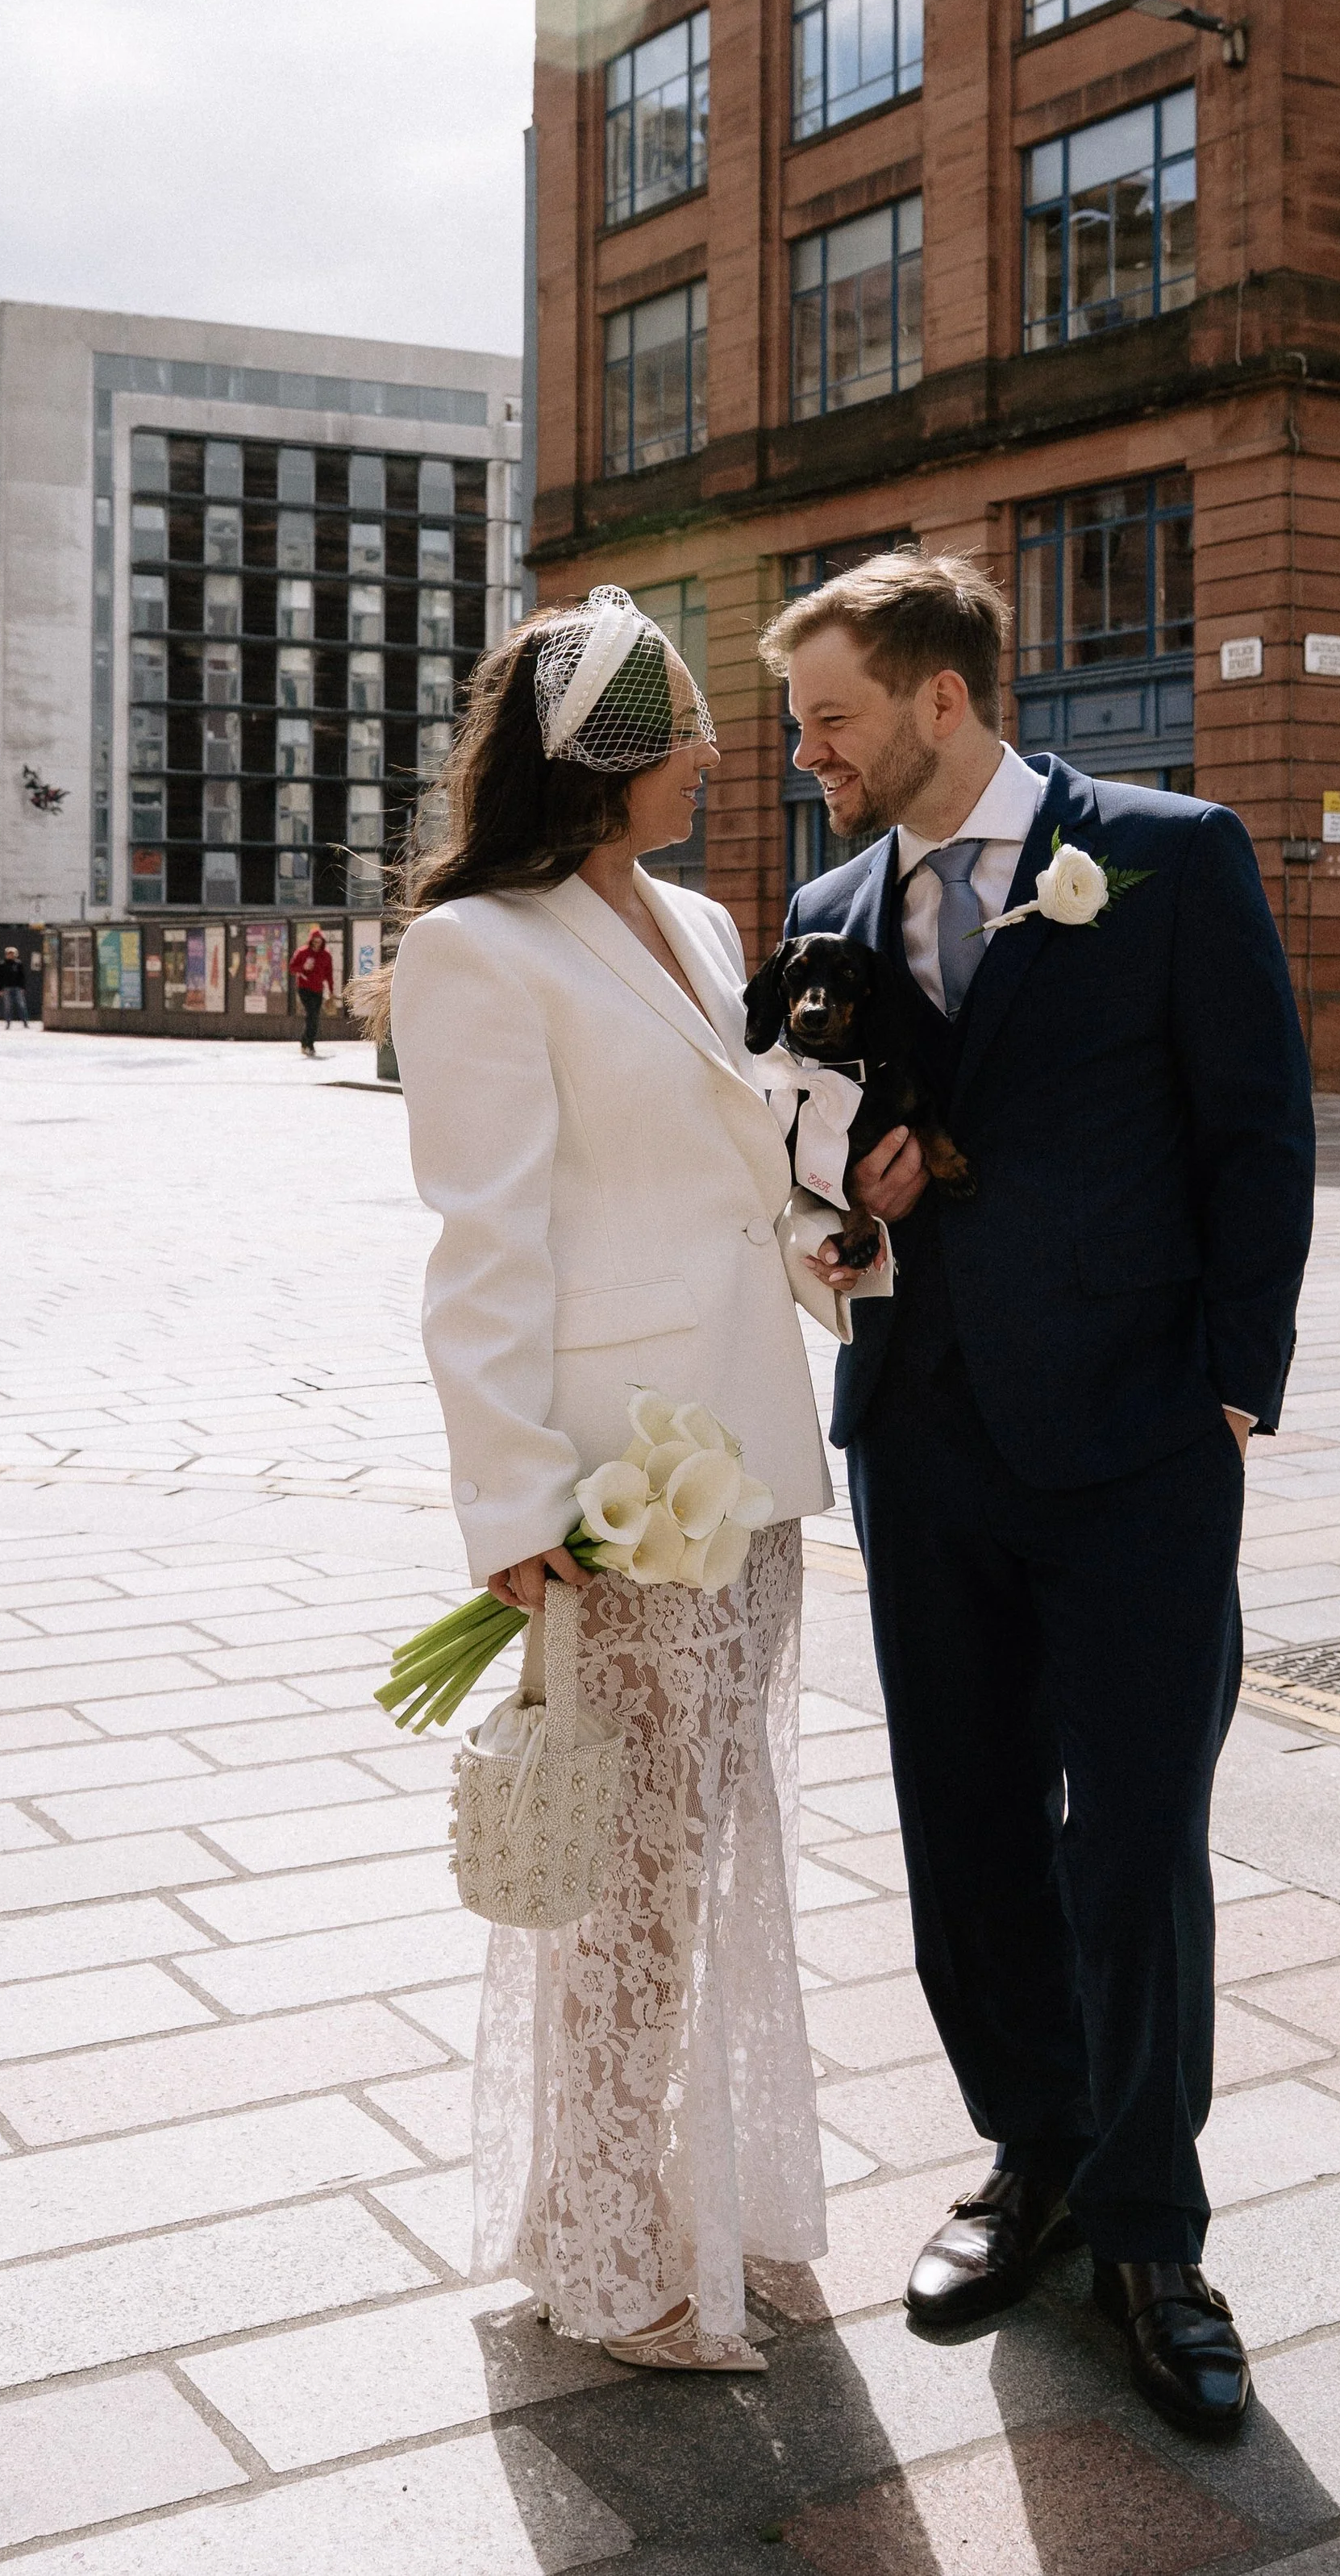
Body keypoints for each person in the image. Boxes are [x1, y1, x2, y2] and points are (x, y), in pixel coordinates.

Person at [762, 551, 1314, 2439]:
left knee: (1136, 1833)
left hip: (1140, 1444)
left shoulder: (1170, 849)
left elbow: (1257, 1121)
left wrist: (1238, 1375)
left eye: (829, 718)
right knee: (967, 1826)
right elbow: (806, 1146)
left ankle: (1155, 2230)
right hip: (920, 1434)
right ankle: (1034, 2157)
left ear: (937, 697)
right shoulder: (828, 899)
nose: (808, 753)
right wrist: (834, 1222)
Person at [385, 586, 868, 2374]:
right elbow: (483, 1245)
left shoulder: (699, 916)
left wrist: (840, 1244)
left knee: (705, 1839)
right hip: (619, 1486)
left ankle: (674, 2187)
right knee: (631, 1874)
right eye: (684, 733)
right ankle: (596, 2245)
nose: (721, 757)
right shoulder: (478, 950)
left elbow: (735, 1174)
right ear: (598, 758)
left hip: (746, 1455)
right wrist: (511, 1504)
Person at [289, 925, 333, 1055]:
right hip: (304, 988)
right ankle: (309, 1044)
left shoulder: (326, 956)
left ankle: (306, 1042)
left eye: (319, 942)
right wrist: (303, 968)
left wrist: (331, 990)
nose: (317, 944)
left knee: (314, 1016)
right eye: (315, 942)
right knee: (311, 1014)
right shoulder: (302, 952)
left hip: (318, 989)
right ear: (311, 941)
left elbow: (329, 974)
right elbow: (292, 968)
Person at [0, 944, 29, 1027]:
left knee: (21, 1005)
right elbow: (0, 977)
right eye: (9, 953)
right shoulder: (2, 964)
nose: (11, 955)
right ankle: (8, 1023)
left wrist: (23, 987)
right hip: (7, 988)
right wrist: (0, 989)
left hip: (17, 987)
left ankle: (25, 1022)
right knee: (8, 1006)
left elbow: (22, 976)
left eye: (12, 953)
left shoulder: (18, 964)